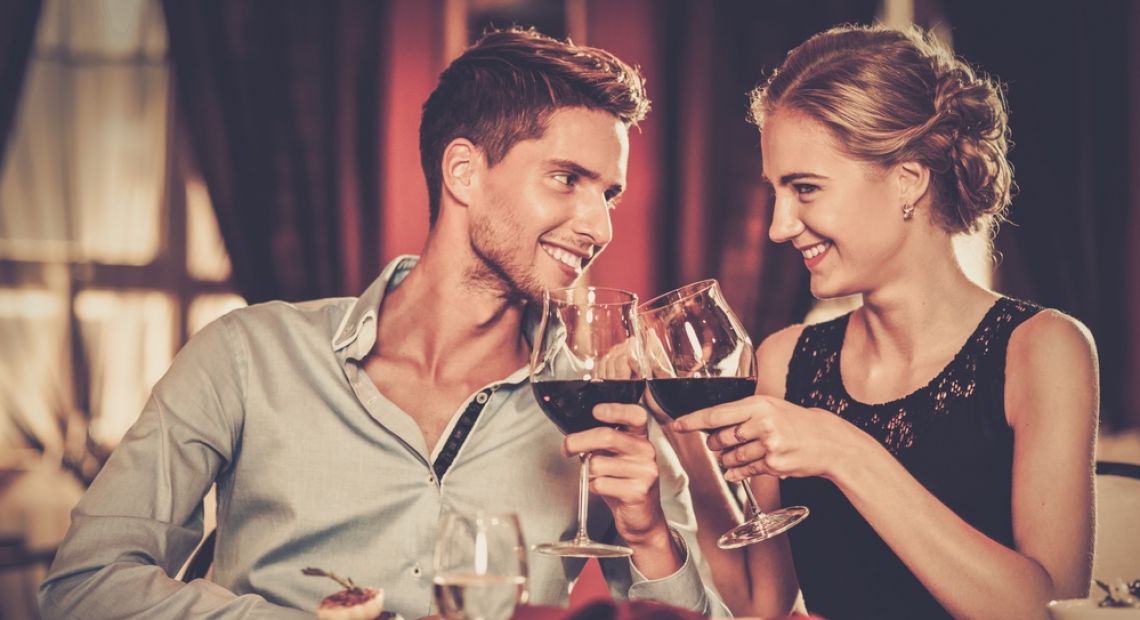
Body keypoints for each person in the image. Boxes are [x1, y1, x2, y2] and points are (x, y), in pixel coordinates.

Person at [39, 28, 726, 618]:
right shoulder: (249, 356)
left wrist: (649, 535)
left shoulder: (603, 414)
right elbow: (84, 585)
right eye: (567, 179)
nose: (599, 224)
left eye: (609, 193)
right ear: (464, 171)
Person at [666, 24, 1099, 619]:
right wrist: (680, 440)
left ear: (908, 181)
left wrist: (845, 451)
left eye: (805, 189)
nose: (778, 225)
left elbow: (1048, 611)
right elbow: (760, 604)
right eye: (775, 191)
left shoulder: (1044, 349)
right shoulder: (785, 358)